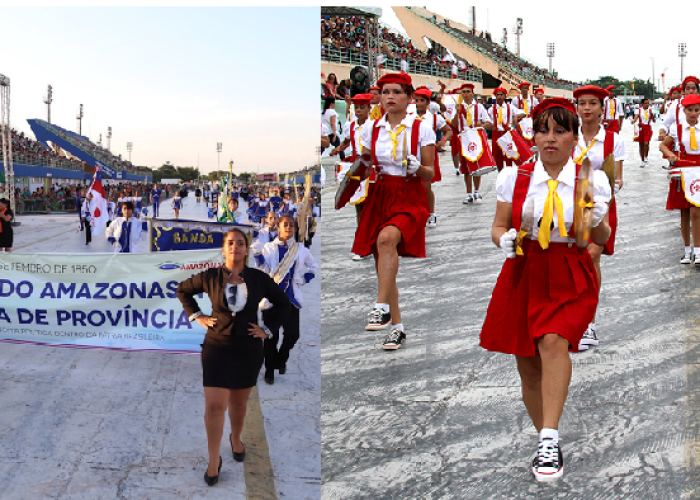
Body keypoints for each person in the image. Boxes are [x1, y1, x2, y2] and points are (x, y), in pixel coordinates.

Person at [480, 98, 611, 482]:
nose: (550, 138)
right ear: (533, 136)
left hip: (568, 268)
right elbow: (498, 225)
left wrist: (599, 221)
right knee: (528, 362)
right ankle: (545, 438)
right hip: (524, 270)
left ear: (574, 138)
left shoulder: (590, 179)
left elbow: (597, 237)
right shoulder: (515, 178)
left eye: (560, 131)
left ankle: (550, 437)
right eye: (542, 130)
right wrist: (502, 240)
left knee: (553, 342)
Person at [177, 228, 291, 486]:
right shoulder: (210, 276)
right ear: (224, 247)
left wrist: (267, 329)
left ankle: (236, 438)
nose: (235, 247)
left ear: (246, 248)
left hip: (248, 349)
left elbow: (283, 304)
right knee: (215, 406)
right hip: (216, 346)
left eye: (240, 243)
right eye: (230, 243)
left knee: (239, 405)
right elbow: (182, 290)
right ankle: (213, 460)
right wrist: (198, 316)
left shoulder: (258, 278)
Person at [353, 72, 436, 349]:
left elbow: (430, 172)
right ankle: (397, 326)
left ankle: (380, 306)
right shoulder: (371, 128)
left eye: (396, 92)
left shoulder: (421, 128)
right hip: (380, 194)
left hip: (409, 194)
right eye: (385, 91)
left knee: (387, 240)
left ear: (409, 97)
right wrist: (353, 175)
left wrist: (416, 167)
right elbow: (363, 163)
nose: (389, 96)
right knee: (383, 263)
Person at [573, 85, 626, 350]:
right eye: (582, 103)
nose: (587, 108)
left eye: (592, 103)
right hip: (569, 205)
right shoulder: (568, 135)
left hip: (600, 205)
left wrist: (605, 191)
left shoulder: (613, 139)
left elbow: (617, 177)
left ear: (602, 108)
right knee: (571, 260)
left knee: (592, 256)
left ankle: (589, 323)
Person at [255, 215, 318, 384]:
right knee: (270, 337)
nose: (288, 227)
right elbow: (262, 270)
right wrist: (258, 257)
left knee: (292, 335)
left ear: (295, 228)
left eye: (291, 225)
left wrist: (304, 279)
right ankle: (269, 369)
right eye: (285, 225)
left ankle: (281, 359)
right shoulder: (268, 248)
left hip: (291, 299)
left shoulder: (301, 249)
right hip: (271, 300)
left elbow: (314, 267)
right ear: (278, 228)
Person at [660, 93, 700, 265]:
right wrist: (670, 155)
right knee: (684, 212)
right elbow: (663, 145)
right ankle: (686, 250)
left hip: (699, 171)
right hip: (683, 171)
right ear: (683, 110)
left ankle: (698, 251)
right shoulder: (677, 128)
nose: (693, 113)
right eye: (689, 110)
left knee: (696, 211)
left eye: (697, 110)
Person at [414, 86, 452, 227]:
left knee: (426, 185)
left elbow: (448, 131)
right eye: (416, 100)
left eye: (422, 101)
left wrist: (442, 141)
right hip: (412, 154)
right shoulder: (408, 116)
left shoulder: (434, 118)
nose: (419, 104)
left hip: (427, 155)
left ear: (428, 103)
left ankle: (431, 213)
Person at [449, 83, 491, 204]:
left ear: (472, 93)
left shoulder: (479, 107)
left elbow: (488, 121)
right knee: (466, 167)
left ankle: (477, 191)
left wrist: (480, 126)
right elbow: (454, 125)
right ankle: (468, 193)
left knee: (477, 165)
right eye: (464, 92)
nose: (466, 94)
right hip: (464, 139)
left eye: (468, 91)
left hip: (476, 138)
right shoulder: (458, 107)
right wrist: (457, 112)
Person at [487, 88, 525, 170]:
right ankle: (501, 174)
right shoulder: (490, 110)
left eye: (501, 94)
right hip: (496, 134)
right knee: (497, 156)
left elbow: (523, 113)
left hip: (507, 134)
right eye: (498, 95)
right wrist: (488, 126)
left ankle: (509, 174)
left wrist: (516, 116)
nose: (499, 96)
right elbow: (487, 121)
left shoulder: (510, 107)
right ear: (495, 96)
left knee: (509, 155)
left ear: (505, 96)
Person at [632, 98, 655, 167]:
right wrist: (633, 121)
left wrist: (652, 115)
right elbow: (636, 117)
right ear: (642, 104)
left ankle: (646, 156)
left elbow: (654, 121)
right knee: (641, 145)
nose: (647, 105)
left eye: (648, 103)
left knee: (646, 143)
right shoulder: (638, 110)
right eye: (645, 103)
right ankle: (642, 160)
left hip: (648, 128)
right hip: (640, 128)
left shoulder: (651, 110)